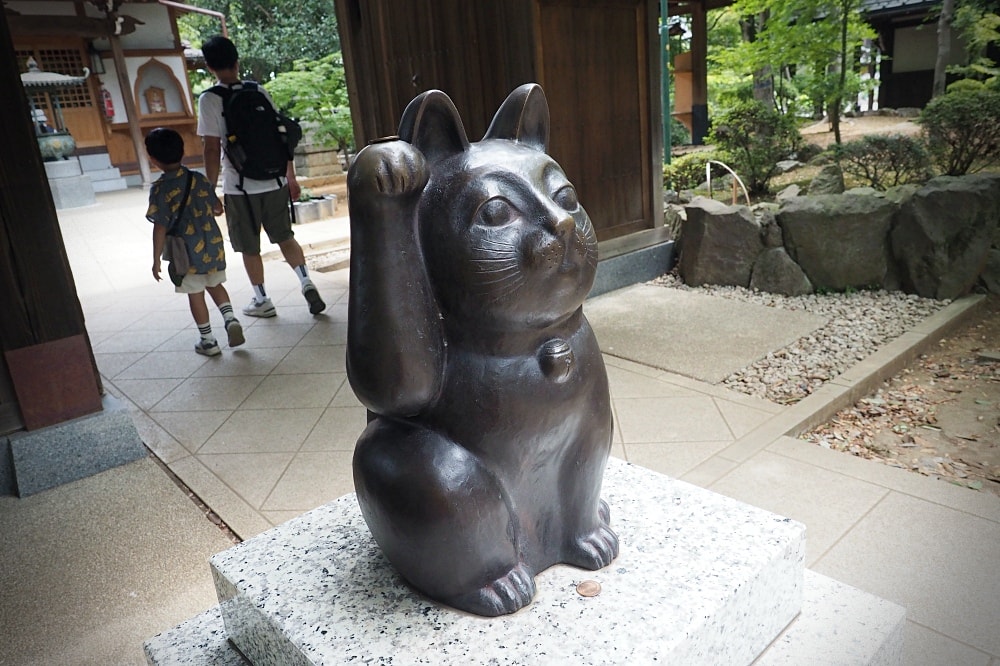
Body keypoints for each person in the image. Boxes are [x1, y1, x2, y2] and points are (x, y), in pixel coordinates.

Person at [197, 35, 326, 318]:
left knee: (250, 247)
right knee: (285, 237)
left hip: (239, 186)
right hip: (274, 181)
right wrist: (290, 176)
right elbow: (281, 137)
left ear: (209, 66)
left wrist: (209, 190)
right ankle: (306, 281)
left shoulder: (210, 100)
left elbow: (211, 148)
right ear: (236, 61)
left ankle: (262, 299)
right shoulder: (258, 91)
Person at [145, 127, 245, 356]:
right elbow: (218, 208)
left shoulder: (160, 189)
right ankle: (230, 318)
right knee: (215, 284)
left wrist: (156, 259)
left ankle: (208, 341)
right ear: (182, 151)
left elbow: (159, 226)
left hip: (185, 251)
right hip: (212, 244)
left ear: (153, 159)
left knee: (196, 293)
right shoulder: (198, 179)